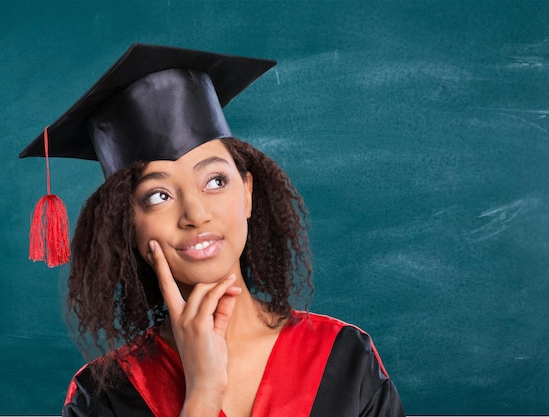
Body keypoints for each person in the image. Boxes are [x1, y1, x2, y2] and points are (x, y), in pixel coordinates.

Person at [20, 43, 405, 417]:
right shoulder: (104, 398)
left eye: (216, 181)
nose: (196, 214)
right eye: (158, 195)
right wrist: (202, 392)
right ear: (128, 225)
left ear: (248, 194)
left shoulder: (345, 359)